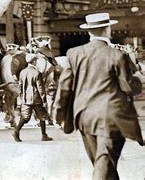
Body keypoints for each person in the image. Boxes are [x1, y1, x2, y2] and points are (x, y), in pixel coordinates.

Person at [54, 12, 143, 179]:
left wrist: (58, 115)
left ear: (89, 32)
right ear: (107, 29)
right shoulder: (117, 55)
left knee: (103, 164)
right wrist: (138, 79)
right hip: (110, 117)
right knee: (104, 165)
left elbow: (64, 88)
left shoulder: (74, 54)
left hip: (84, 117)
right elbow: (128, 87)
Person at [13, 53, 53, 142]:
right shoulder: (37, 73)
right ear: (34, 61)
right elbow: (40, 88)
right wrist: (44, 100)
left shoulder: (22, 72)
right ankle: (44, 135)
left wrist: (21, 97)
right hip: (36, 99)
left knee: (25, 118)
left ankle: (16, 131)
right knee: (42, 116)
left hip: (26, 99)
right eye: (36, 61)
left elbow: (20, 86)